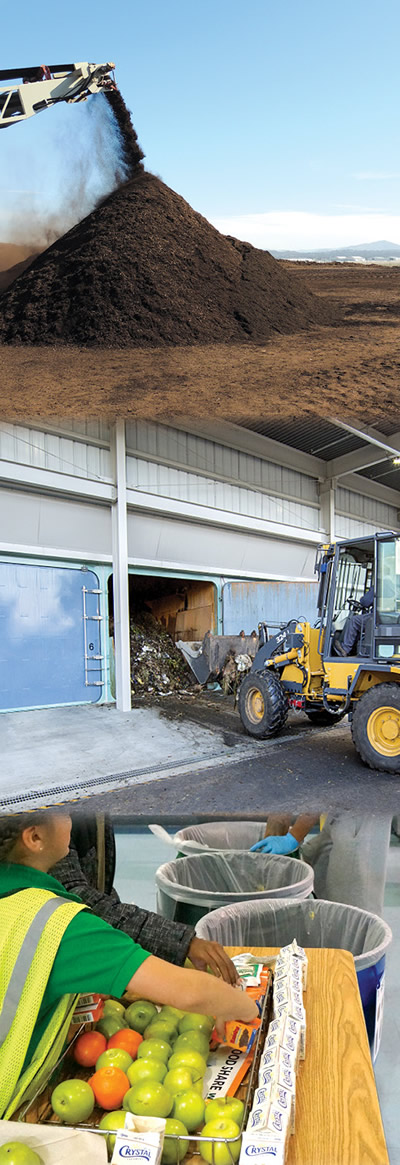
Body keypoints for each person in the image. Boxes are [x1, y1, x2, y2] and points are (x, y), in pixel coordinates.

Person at [0, 811, 258, 1121]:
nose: (72, 818)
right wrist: (245, 1007)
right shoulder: (59, 926)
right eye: (64, 812)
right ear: (35, 837)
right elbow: (188, 992)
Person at [51, 814, 237, 983]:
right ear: (34, 837)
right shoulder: (55, 827)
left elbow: (99, 889)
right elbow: (75, 897)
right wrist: (179, 941)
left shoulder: (93, 816)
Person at [334, 587, 374, 656]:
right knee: (361, 622)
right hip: (384, 617)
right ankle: (354, 648)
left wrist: (362, 599)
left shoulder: (379, 584)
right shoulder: (391, 586)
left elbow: (365, 602)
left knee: (355, 620)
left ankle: (345, 649)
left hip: (376, 617)